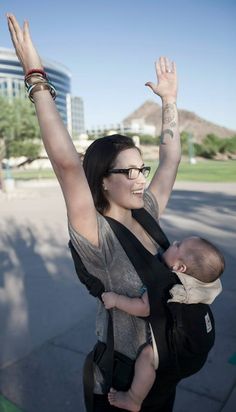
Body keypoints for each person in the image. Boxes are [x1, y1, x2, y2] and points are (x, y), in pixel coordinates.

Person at [7, 14, 181, 411]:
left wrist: (169, 101)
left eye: (142, 169)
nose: (140, 179)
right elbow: (68, 164)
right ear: (103, 180)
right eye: (128, 171)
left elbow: (169, 160)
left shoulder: (147, 212)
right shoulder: (96, 234)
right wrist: (34, 73)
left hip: (163, 372)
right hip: (120, 384)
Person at [102, 236, 224, 411]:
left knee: (147, 356)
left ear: (180, 268)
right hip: (198, 351)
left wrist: (115, 300)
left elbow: (143, 308)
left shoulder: (166, 284)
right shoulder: (201, 286)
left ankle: (133, 399)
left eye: (178, 245)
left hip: (182, 354)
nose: (173, 243)